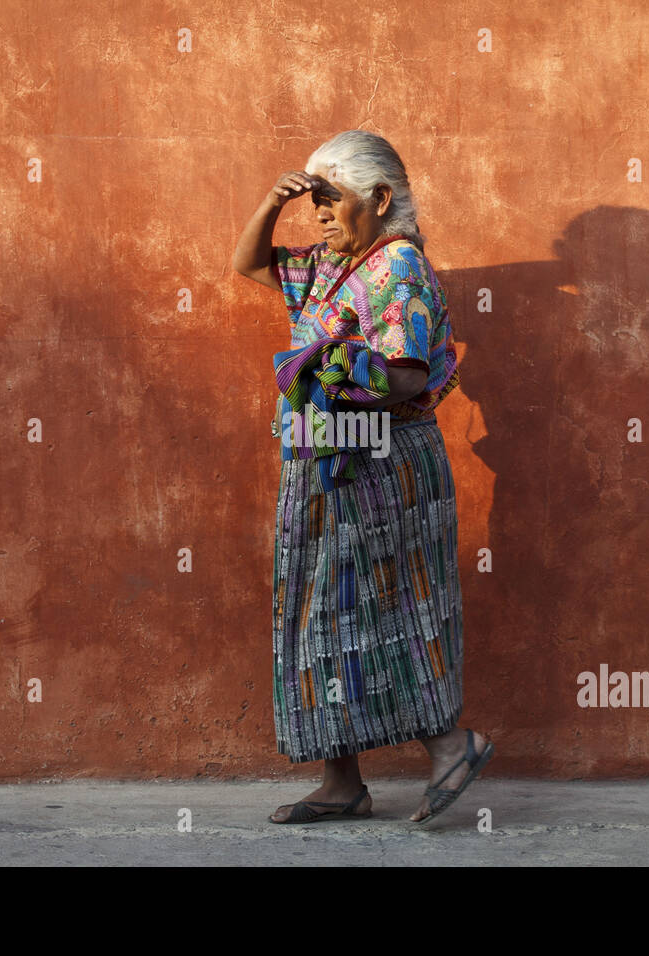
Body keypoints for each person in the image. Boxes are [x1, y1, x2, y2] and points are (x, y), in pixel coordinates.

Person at [232, 130, 493, 824]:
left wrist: (332, 369)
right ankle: (342, 782)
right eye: (314, 199)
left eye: (331, 198)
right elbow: (249, 263)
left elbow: (406, 372)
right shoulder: (327, 265)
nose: (318, 211)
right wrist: (272, 200)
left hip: (380, 462)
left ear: (379, 200)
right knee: (322, 614)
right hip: (324, 458)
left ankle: (450, 746)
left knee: (384, 607)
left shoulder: (398, 268)